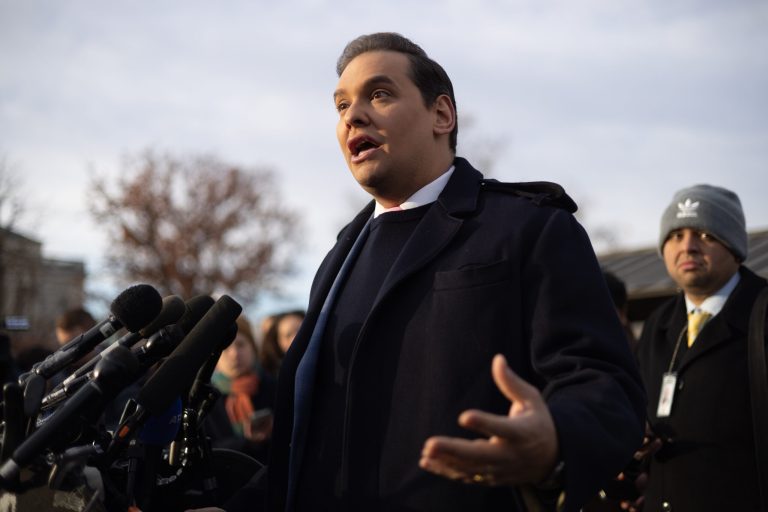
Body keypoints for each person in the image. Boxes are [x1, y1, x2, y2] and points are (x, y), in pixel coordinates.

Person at [196, 32, 645, 512]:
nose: (353, 115)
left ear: (442, 115)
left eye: (380, 94)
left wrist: (554, 439)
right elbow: (310, 447)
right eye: (341, 105)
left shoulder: (528, 227)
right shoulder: (337, 259)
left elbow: (606, 388)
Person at [635, 184, 766, 511]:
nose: (688, 246)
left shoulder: (762, 313)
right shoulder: (658, 324)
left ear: (735, 247)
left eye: (706, 235)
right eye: (676, 235)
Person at [206, 314, 277, 463]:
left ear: (253, 347)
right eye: (225, 348)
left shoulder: (274, 386)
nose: (234, 354)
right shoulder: (204, 398)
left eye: (241, 344)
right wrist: (247, 442)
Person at [259, 310, 305, 379]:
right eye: (288, 335)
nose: (295, 338)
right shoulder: (267, 378)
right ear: (277, 343)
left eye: (301, 331)